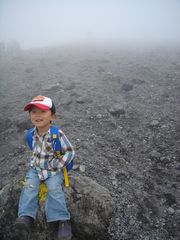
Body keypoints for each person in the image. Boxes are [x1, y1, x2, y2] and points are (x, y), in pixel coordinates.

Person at [14, 95, 75, 240]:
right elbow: (34, 150)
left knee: (54, 188)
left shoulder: (57, 134)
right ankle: (25, 217)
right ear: (29, 115)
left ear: (52, 116)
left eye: (42, 112)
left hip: (53, 171)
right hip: (36, 169)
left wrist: (57, 165)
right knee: (29, 186)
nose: (38, 115)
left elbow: (70, 151)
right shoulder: (30, 134)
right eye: (34, 112)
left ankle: (62, 220)